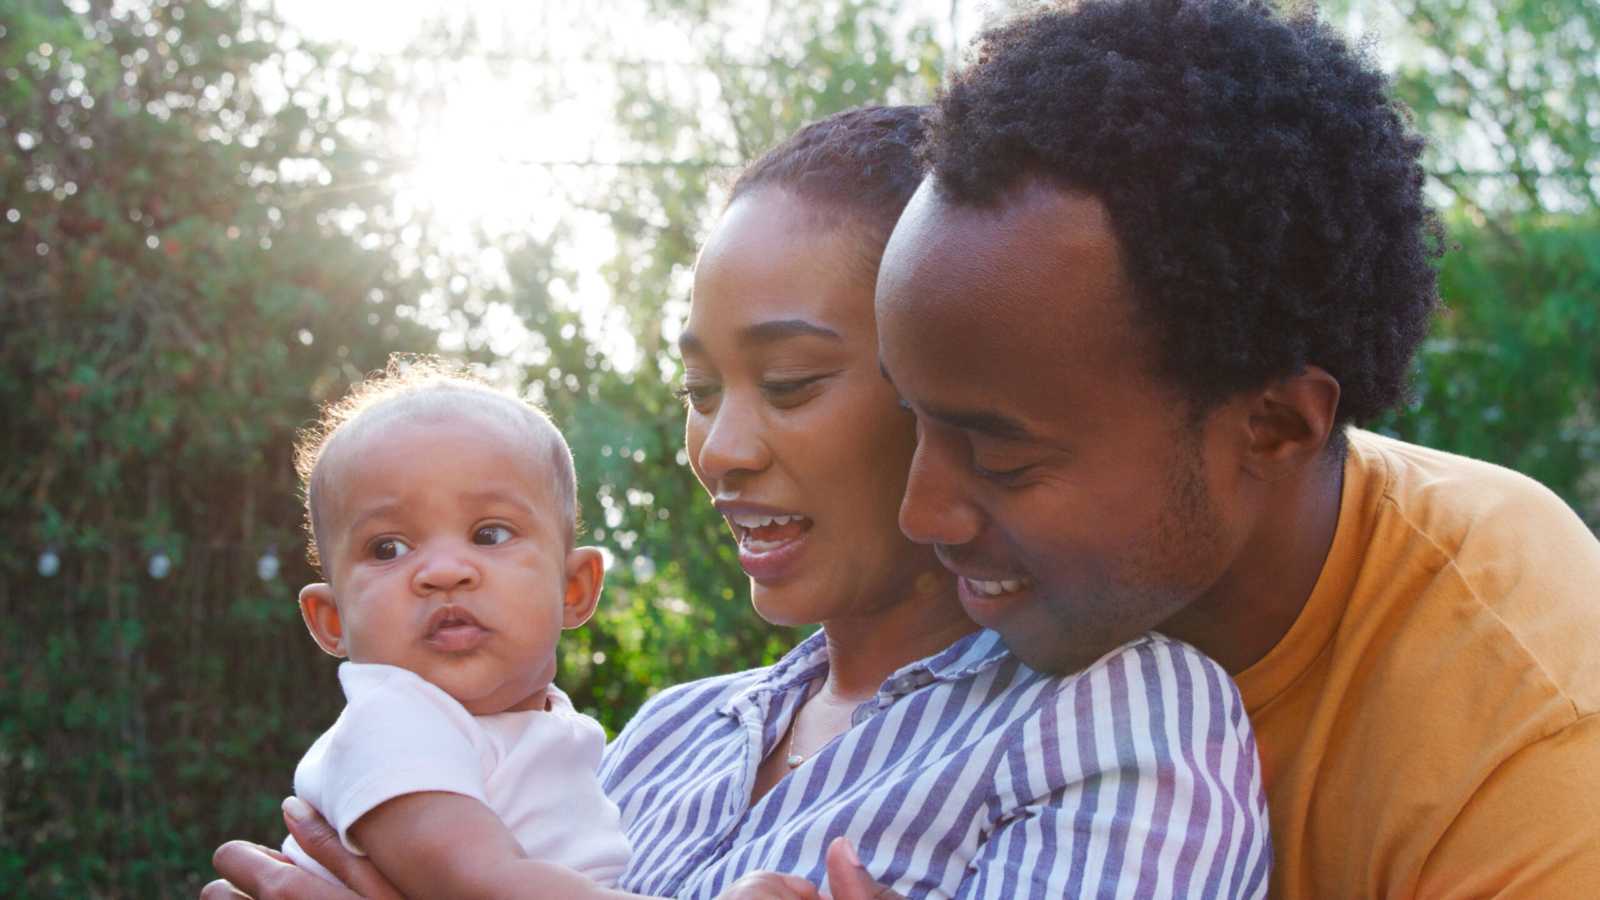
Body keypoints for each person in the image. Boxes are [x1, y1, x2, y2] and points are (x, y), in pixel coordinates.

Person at [206, 107, 1270, 900]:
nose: (719, 449)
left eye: (792, 383)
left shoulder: (1111, 719)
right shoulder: (663, 738)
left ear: (943, 378)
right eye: (698, 392)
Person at [871, 1, 1600, 898]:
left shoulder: (1528, 731)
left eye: (1003, 461)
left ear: (1275, 427)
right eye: (910, 417)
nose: (919, 514)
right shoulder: (1019, 600)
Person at [278, 362, 633, 898]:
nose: (444, 571)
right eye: (388, 548)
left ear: (573, 589)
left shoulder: (552, 728)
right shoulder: (391, 724)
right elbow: (485, 885)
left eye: (489, 534)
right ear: (333, 622)